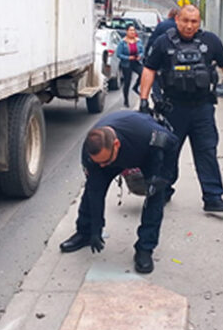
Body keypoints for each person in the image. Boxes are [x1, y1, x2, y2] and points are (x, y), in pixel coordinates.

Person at [138, 4, 223, 213]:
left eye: (194, 22)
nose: (189, 26)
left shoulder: (210, 41)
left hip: (202, 108)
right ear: (177, 20)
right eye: (185, 21)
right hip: (173, 108)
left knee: (207, 150)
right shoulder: (164, 42)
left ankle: (213, 197)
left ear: (199, 23)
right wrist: (144, 100)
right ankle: (163, 191)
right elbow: (149, 69)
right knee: (167, 152)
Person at [58, 111, 180, 273]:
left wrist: (164, 178)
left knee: (155, 196)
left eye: (105, 161)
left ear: (116, 145)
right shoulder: (91, 153)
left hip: (145, 155)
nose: (102, 165)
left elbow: (173, 143)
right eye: (99, 162)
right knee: (91, 190)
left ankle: (145, 248)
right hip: (113, 156)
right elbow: (96, 192)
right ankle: (85, 233)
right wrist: (96, 229)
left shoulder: (147, 133)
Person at [114, 25, 144, 107]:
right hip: (126, 63)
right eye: (130, 30)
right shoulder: (122, 42)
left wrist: (140, 56)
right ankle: (126, 100)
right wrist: (128, 57)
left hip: (136, 62)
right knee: (127, 82)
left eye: (134, 30)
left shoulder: (138, 41)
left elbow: (142, 51)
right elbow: (118, 54)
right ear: (127, 31)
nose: (133, 32)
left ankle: (136, 86)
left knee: (143, 73)